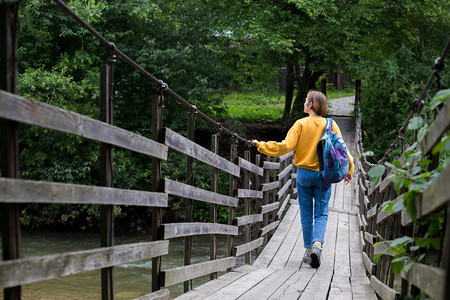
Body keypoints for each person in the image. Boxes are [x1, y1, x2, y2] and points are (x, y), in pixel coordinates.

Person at [251, 90, 354, 268]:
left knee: (306, 213)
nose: (305, 102)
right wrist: (349, 169)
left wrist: (261, 146)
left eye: (306, 100)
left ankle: (308, 252)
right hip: (324, 175)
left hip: (304, 174)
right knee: (321, 212)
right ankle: (317, 246)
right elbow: (342, 149)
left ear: (312, 104)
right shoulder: (331, 124)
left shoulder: (300, 124)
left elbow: (285, 147)